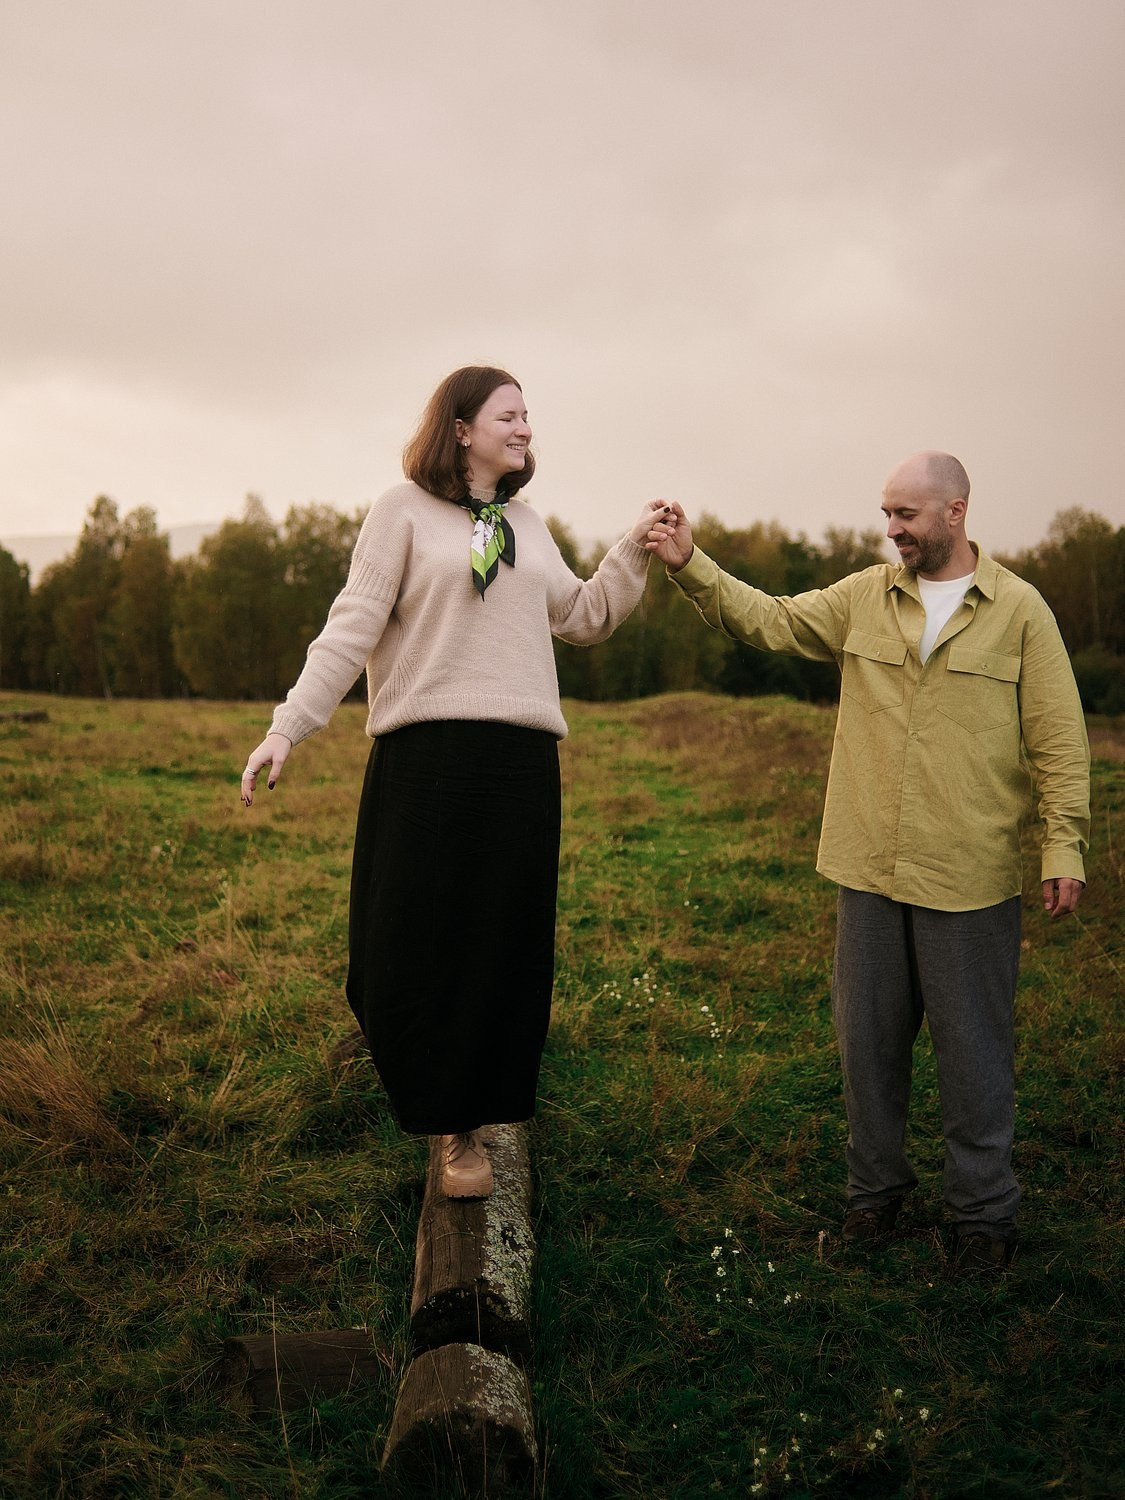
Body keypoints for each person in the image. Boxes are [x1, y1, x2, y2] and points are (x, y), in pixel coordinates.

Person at [241, 365, 677, 1200]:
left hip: (519, 764)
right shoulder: (400, 512)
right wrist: (288, 726)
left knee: (500, 945)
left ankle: (468, 1121)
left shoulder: (527, 524)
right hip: (427, 760)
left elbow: (581, 616)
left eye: (527, 416)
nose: (524, 428)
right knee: (408, 945)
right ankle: (437, 1101)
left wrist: (632, 549)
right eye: (508, 416)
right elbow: (351, 627)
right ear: (461, 428)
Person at [646, 452, 1090, 1268]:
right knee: (867, 1051)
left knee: (974, 1058)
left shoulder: (1020, 611)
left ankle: (982, 1217)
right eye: (886, 513)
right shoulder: (862, 597)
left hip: (968, 875)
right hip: (868, 870)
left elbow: (1059, 740)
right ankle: (873, 1198)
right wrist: (689, 565)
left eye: (905, 515)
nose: (891, 530)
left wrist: (1063, 845)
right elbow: (770, 620)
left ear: (954, 512)